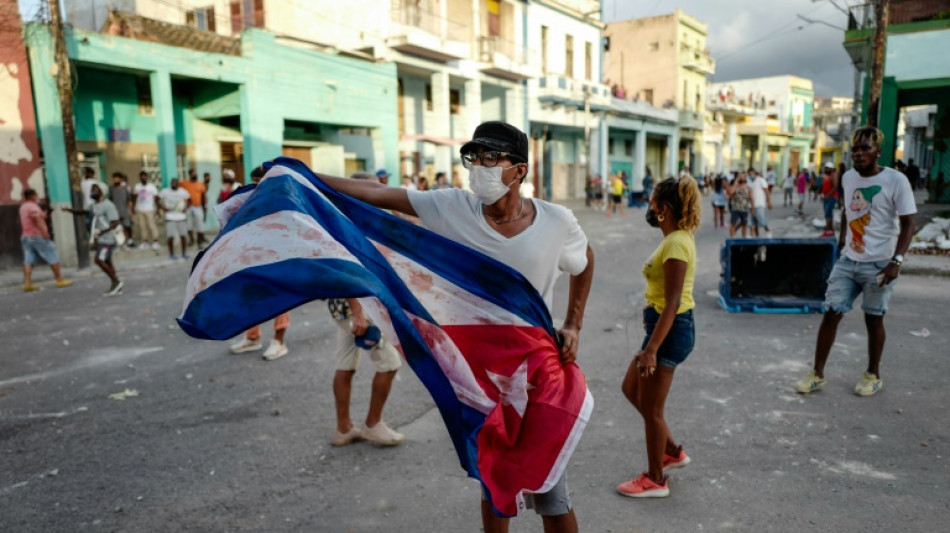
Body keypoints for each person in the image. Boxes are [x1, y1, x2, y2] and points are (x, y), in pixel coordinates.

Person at [318, 120, 594, 533]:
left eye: (490, 157)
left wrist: (573, 324)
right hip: (479, 378)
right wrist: (301, 175)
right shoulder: (452, 207)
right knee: (492, 482)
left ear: (519, 170)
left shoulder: (555, 222)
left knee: (551, 490)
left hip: (536, 374)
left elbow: (586, 259)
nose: (478, 167)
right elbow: (377, 193)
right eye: (474, 158)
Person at [794, 126, 916, 397]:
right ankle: (817, 374)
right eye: (855, 149)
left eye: (866, 148)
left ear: (878, 152)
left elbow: (909, 223)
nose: (859, 154)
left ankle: (873, 375)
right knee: (831, 312)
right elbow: (848, 212)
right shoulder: (848, 178)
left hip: (880, 263)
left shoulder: (896, 181)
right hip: (849, 261)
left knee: (873, 318)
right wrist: (841, 241)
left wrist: (896, 260)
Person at [618, 176, 701, 498]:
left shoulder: (678, 243)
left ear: (663, 209)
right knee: (631, 389)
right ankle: (672, 453)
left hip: (670, 332)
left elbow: (675, 301)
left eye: (653, 202)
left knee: (652, 409)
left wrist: (652, 348)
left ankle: (655, 479)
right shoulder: (673, 240)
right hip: (663, 329)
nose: (649, 207)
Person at [228, 166, 292, 361]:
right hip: (253, 256)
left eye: (260, 181)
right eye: (254, 181)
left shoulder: (282, 199)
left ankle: (279, 342)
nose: (257, 185)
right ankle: (252, 337)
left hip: (278, 255)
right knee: (250, 295)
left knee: (279, 299)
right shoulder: (249, 200)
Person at [19, 189, 73, 292]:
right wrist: (44, 232)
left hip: (26, 236)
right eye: (36, 195)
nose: (37, 197)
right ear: (32, 196)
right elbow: (36, 219)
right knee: (52, 255)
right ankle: (59, 279)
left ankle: (27, 283)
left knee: (28, 260)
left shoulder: (23, 207)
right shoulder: (32, 207)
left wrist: (46, 214)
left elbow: (38, 217)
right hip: (37, 236)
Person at [158, 178, 191, 260]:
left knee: (183, 236)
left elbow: (190, 200)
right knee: (170, 237)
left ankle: (184, 253)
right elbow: (157, 199)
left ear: (178, 183)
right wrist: (162, 208)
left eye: (175, 182)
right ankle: (171, 254)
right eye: (172, 182)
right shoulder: (165, 191)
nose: (173, 184)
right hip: (170, 217)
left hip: (181, 217)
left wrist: (186, 208)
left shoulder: (183, 191)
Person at [132, 171, 161, 250]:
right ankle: (145, 242)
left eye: (145, 176)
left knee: (152, 225)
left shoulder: (151, 186)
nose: (143, 178)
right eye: (142, 176)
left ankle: (156, 241)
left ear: (147, 177)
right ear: (140, 177)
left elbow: (156, 198)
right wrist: (133, 209)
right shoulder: (137, 186)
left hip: (150, 209)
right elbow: (134, 198)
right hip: (140, 209)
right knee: (142, 226)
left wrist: (158, 209)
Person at [180, 169, 207, 249]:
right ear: (190, 175)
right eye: (193, 174)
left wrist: (204, 206)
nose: (195, 175)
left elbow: (203, 196)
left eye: (196, 174)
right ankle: (192, 239)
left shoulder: (200, 184)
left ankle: (200, 242)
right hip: (188, 207)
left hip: (198, 207)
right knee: (189, 225)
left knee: (200, 225)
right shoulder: (184, 183)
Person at [109, 172, 136, 248]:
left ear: (120, 179)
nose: (114, 179)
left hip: (125, 211)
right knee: (116, 228)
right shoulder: (111, 189)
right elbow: (110, 200)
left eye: (116, 178)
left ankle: (130, 240)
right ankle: (119, 242)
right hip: (115, 212)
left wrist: (131, 211)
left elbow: (129, 200)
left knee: (127, 226)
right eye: (114, 178)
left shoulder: (125, 189)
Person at [726, 172, 752, 238]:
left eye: (744, 177)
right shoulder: (735, 185)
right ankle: (732, 237)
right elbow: (731, 192)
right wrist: (736, 182)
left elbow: (751, 197)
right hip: (735, 208)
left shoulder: (748, 187)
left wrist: (753, 207)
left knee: (744, 223)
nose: (742, 178)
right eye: (741, 177)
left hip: (744, 208)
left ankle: (744, 237)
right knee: (733, 223)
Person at [747, 169, 772, 237]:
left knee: (761, 220)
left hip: (759, 204)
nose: (750, 176)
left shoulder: (761, 180)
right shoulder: (749, 182)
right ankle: (755, 236)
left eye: (751, 174)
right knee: (753, 222)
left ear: (755, 173)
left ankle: (768, 230)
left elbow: (767, 192)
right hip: (751, 205)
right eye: (749, 174)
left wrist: (769, 201)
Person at [820, 162, 839, 237]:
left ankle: (828, 230)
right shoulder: (826, 176)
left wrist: (827, 196)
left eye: (827, 168)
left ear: (831, 169)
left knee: (828, 214)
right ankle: (830, 230)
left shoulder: (833, 176)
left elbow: (835, 187)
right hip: (826, 198)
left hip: (831, 198)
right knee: (827, 214)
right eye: (825, 168)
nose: (826, 169)